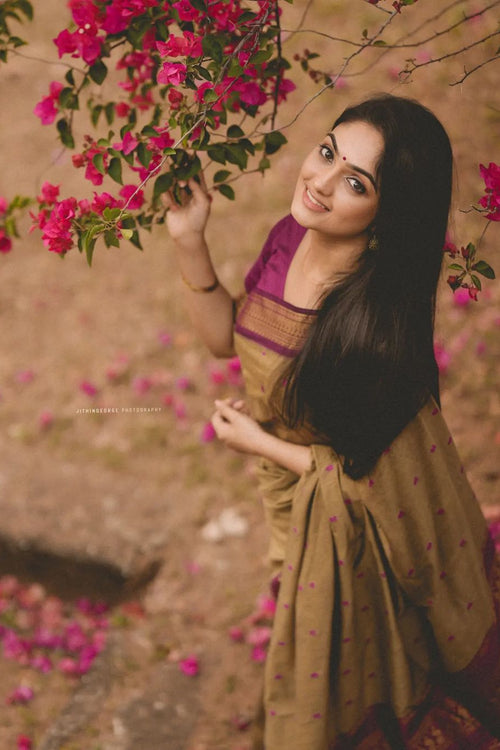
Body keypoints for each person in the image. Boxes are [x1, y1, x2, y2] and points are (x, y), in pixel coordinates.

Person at [164, 94, 500, 749]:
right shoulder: (292, 236)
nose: (319, 182)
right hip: (291, 503)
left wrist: (258, 442)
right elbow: (227, 339)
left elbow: (369, 485)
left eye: (354, 182)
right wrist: (189, 240)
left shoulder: (371, 332)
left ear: (386, 213)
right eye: (326, 152)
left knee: (373, 675)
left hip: (353, 536)